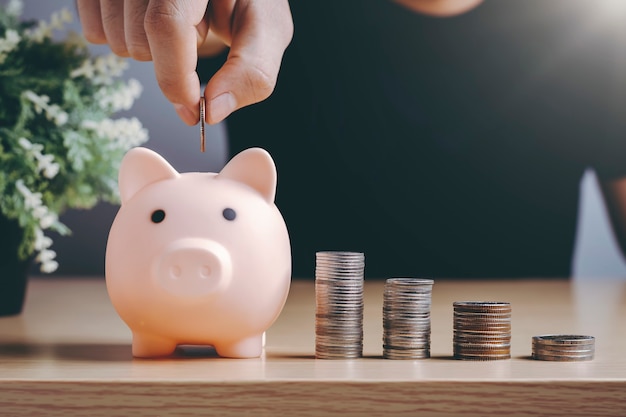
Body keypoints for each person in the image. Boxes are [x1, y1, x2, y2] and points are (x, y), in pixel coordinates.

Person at [77, 0, 626, 279]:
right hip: (287, 373)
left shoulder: (600, 32)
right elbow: (213, 24)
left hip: (522, 385)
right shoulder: (268, 11)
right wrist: (209, 23)